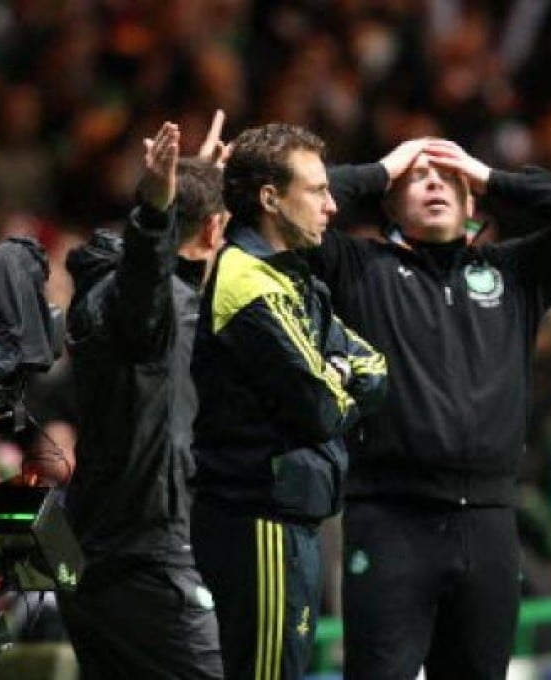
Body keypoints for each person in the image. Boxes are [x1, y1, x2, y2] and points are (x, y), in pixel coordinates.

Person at [314, 138, 551, 679]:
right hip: (390, 519)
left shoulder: (514, 275)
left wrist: (491, 176)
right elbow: (286, 206)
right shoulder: (359, 267)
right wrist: (380, 168)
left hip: (489, 525)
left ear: (473, 206)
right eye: (416, 179)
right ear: (390, 206)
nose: (434, 184)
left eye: (449, 179)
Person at [190, 123, 388, 680]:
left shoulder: (296, 281)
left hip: (287, 517)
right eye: (318, 190)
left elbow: (375, 370)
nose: (331, 206)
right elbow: (321, 409)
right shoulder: (248, 282)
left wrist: (339, 374)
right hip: (259, 520)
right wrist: (340, 387)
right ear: (270, 198)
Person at [59, 121, 226, 679]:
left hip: (93, 550)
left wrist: (191, 192)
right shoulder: (156, 308)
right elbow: (148, 302)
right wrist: (158, 216)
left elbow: (147, 286)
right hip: (149, 556)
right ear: (212, 230)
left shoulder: (102, 289)